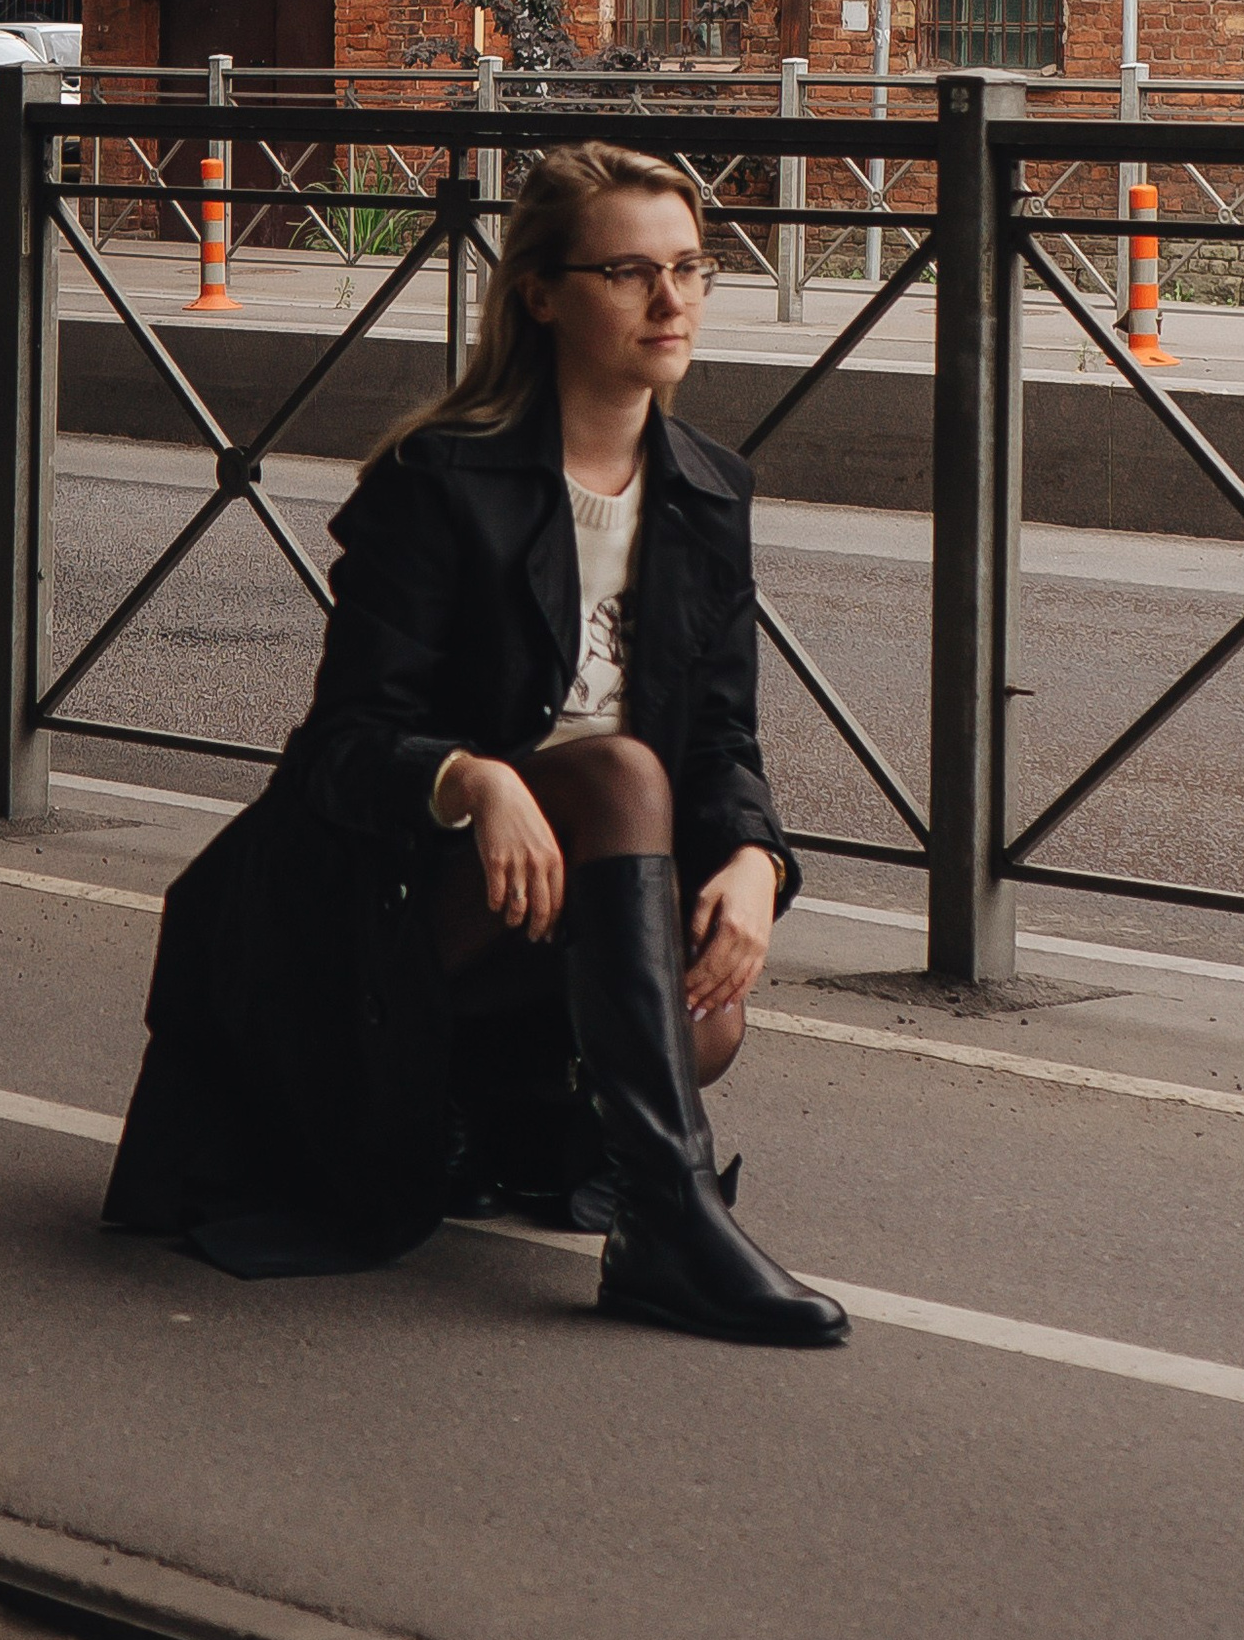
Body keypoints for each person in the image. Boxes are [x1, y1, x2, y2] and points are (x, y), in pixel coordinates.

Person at [104, 141, 847, 1348]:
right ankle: (667, 1227)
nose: (671, 301)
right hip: (380, 886)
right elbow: (342, 748)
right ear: (541, 294)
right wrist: (470, 779)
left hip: (564, 891)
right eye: (629, 272)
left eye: (690, 268)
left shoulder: (710, 491)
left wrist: (759, 862)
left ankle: (478, 1099)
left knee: (707, 1019)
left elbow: (720, 735)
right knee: (619, 769)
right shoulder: (440, 480)